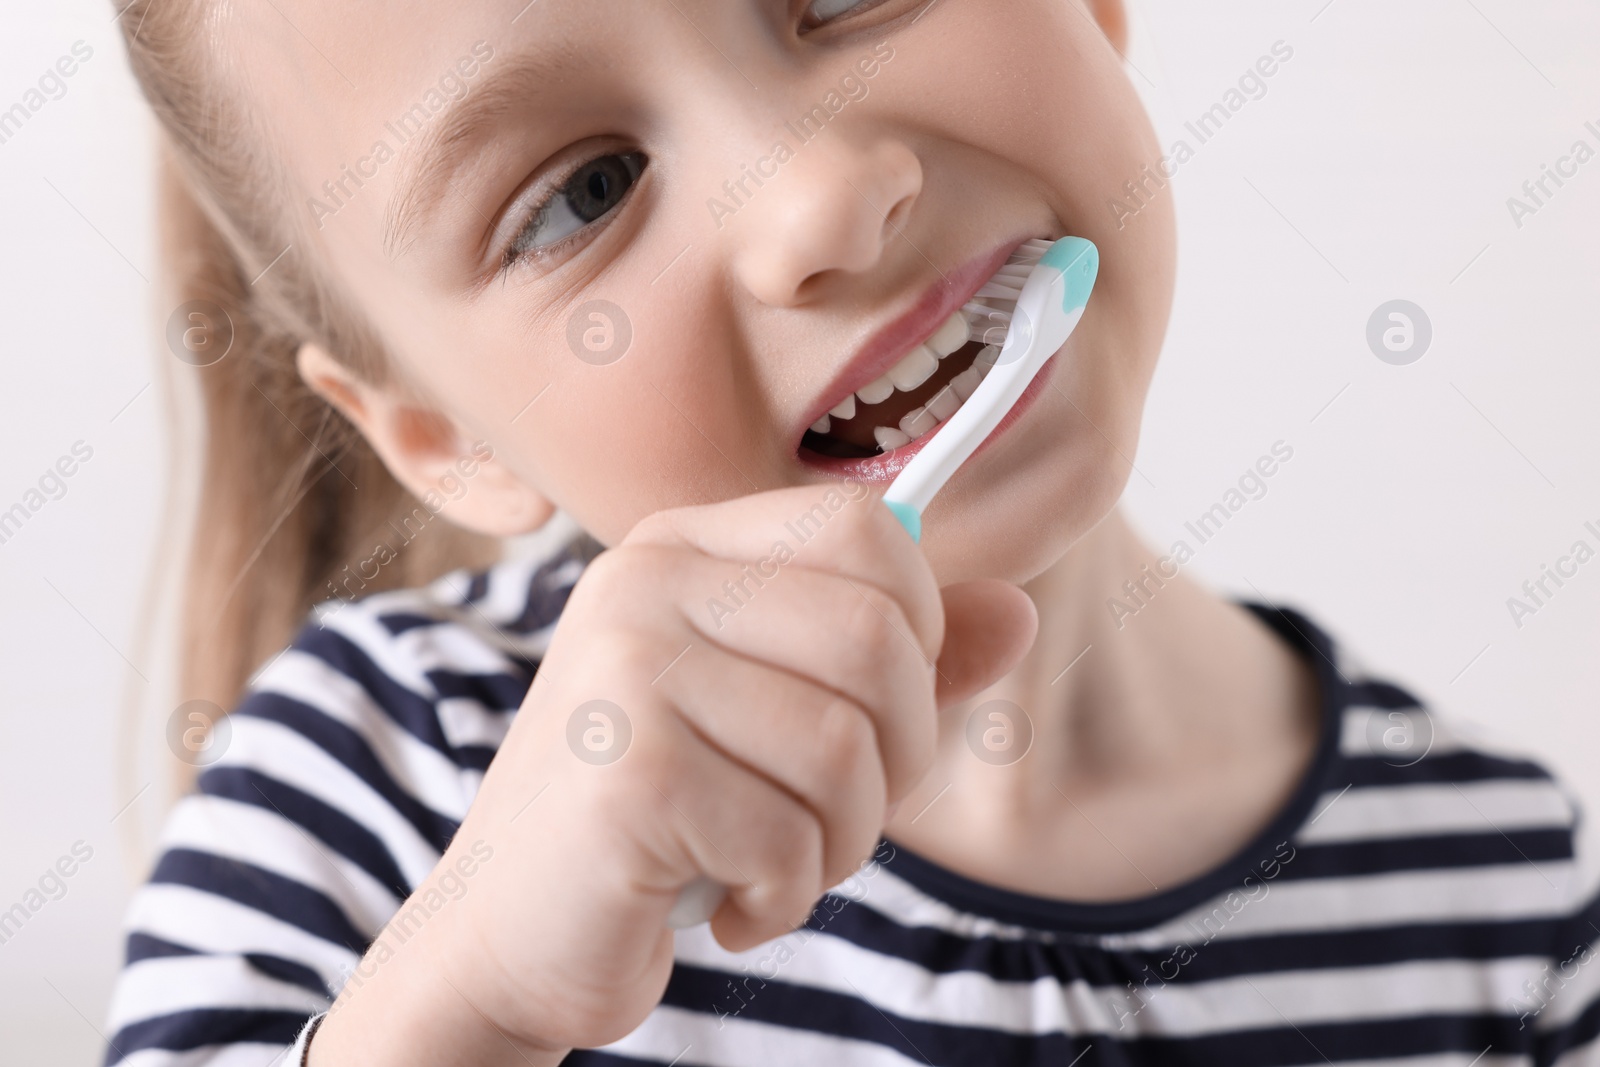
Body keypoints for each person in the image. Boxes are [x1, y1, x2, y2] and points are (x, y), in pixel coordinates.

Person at [104, 0, 1600, 1063]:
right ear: (444, 437)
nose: (819, 198)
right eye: (585, 196)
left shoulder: (1503, 881)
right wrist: (473, 1009)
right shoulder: (367, 784)